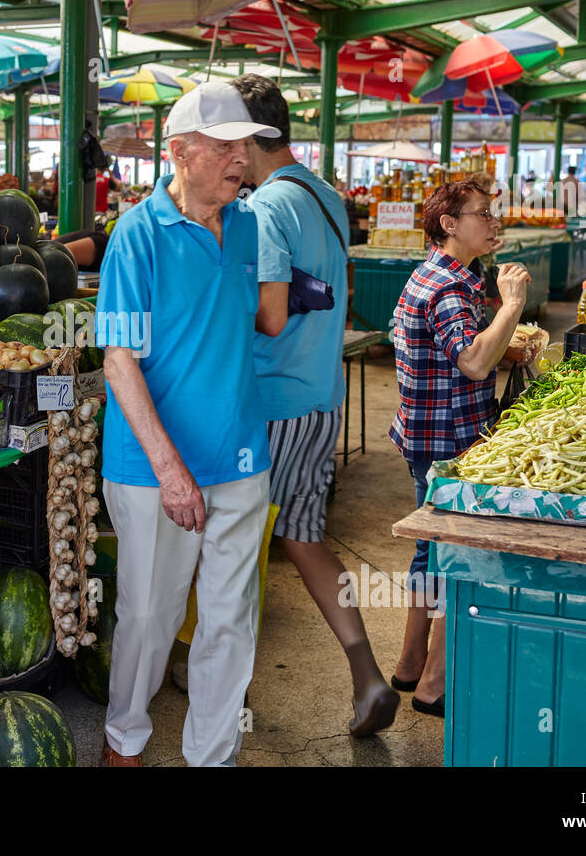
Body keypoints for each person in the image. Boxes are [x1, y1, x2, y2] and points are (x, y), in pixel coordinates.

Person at [97, 81, 278, 767]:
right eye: (226, 144)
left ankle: (214, 753)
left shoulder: (251, 225)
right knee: (150, 616)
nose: (242, 157)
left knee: (231, 620)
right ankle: (125, 738)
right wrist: (172, 470)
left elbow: (244, 326)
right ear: (179, 151)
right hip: (153, 470)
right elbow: (119, 363)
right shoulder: (136, 238)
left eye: (247, 145)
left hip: (239, 458)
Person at [231, 73, 398, 737]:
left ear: (248, 140)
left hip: (274, 400)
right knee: (301, 536)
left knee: (238, 545)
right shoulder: (322, 191)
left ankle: (226, 686)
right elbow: (339, 286)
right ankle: (366, 674)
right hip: (321, 394)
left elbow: (270, 315)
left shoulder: (269, 205)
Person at [388, 176, 531, 718]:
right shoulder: (448, 285)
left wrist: (506, 349)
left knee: (430, 548)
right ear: (450, 225)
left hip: (425, 431)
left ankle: (407, 665)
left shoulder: (443, 273)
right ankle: (433, 685)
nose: (493, 222)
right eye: (482, 214)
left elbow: (460, 352)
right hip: (449, 439)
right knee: (461, 553)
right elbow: (472, 361)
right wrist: (512, 305)